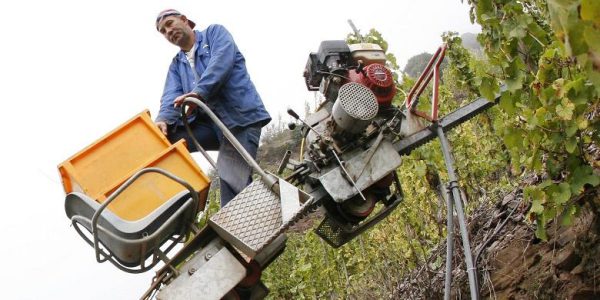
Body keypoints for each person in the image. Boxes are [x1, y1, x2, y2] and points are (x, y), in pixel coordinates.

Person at [154, 9, 271, 207]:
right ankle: (176, 200)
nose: (168, 31)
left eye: (170, 23)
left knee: (231, 181)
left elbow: (221, 62)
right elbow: (170, 96)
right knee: (163, 139)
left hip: (239, 118)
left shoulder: (214, 33)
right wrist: (162, 119)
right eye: (163, 31)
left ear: (184, 20)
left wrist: (198, 93)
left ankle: (246, 227)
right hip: (210, 125)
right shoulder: (177, 64)